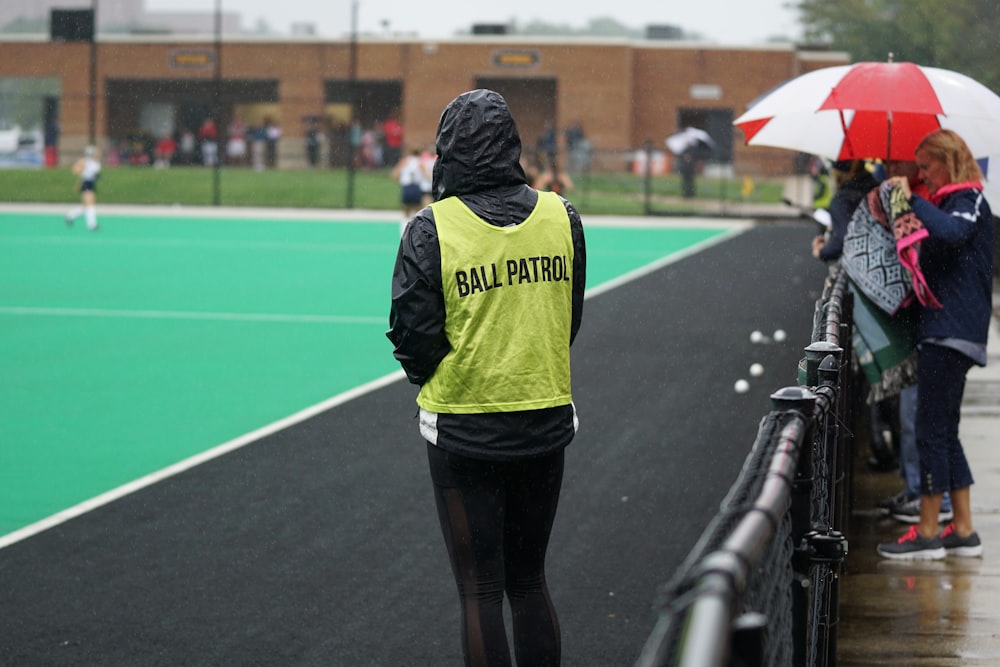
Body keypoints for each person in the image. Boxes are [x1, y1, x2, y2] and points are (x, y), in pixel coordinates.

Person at [386, 88, 586, 667]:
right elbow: (566, 316)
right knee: (529, 582)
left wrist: (455, 372)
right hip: (544, 418)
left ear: (448, 149)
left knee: (479, 591)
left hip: (464, 429)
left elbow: (412, 335)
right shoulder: (560, 215)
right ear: (511, 145)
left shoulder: (431, 229)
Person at [877, 129, 993, 560]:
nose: (921, 175)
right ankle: (962, 528)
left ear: (948, 161)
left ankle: (927, 531)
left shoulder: (969, 201)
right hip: (946, 329)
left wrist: (913, 200)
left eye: (926, 167)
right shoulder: (951, 202)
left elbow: (951, 234)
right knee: (945, 432)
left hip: (952, 331)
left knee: (930, 431)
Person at [391, 146, 430, 234]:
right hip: (416, 188)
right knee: (418, 213)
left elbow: (394, 175)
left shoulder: (405, 161)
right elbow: (427, 176)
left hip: (406, 188)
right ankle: (417, 233)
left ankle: (403, 233)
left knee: (406, 213)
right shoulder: (420, 162)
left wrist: (402, 180)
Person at [65, 145, 101, 231]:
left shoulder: (96, 163)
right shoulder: (85, 161)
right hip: (86, 184)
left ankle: (70, 215)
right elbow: (75, 170)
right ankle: (92, 224)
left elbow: (95, 176)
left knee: (86, 206)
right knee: (90, 205)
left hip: (91, 184)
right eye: (96, 153)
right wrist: (81, 168)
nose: (98, 154)